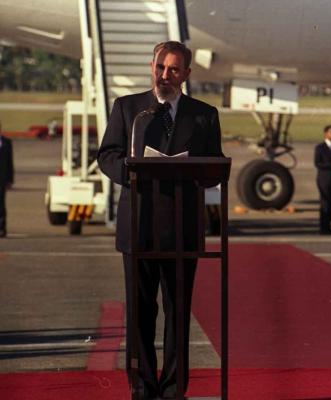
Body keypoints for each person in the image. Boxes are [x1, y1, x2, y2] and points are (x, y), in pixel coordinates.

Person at [97, 41, 223, 399]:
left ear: (186, 74)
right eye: (159, 67)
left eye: (173, 69)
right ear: (151, 66)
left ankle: (172, 388)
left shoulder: (204, 114)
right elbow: (107, 155)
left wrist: (198, 169)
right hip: (139, 227)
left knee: (178, 313)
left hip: (182, 229)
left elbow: (215, 164)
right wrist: (132, 170)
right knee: (140, 314)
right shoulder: (129, 108)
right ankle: (142, 386)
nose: (164, 75)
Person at [0, 124, 15, 238]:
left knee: (1, 204)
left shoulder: (6, 142)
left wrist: (10, 179)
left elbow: (10, 162)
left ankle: (1, 228)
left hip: (2, 179)